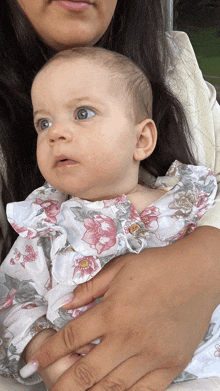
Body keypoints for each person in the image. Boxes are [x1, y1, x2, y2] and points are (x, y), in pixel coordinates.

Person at [0, 1, 220, 390]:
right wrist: (46, 351)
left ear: (143, 138)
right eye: (43, 122)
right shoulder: (45, 223)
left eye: (83, 113)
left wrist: (207, 256)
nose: (55, 133)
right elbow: (15, 296)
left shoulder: (182, 196)